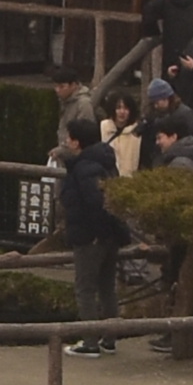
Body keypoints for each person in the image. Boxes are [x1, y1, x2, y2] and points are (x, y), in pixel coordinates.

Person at [55, 102, 130, 354]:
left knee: (85, 288)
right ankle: (109, 337)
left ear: (77, 143)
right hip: (109, 234)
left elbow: (94, 203)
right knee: (107, 285)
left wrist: (96, 233)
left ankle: (89, 341)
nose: (66, 141)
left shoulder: (85, 168)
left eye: (69, 138)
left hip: (91, 235)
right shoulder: (105, 161)